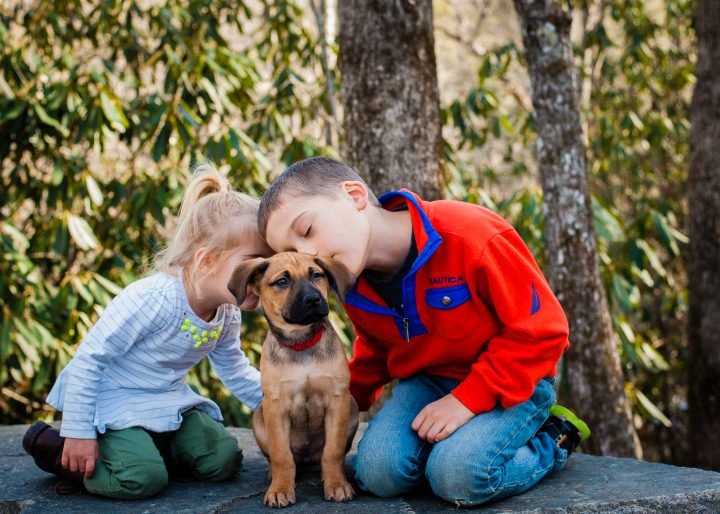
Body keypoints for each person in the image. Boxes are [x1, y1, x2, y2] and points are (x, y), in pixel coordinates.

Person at [256, 156, 590, 507]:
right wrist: (328, 395)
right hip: (428, 383)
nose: (308, 255)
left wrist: (467, 400)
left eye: (307, 230)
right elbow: (376, 348)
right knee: (377, 473)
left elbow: (545, 331)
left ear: (354, 196)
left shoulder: (469, 235)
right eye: (291, 252)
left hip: (512, 381)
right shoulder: (350, 281)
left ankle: (553, 439)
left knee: (458, 476)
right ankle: (445, 450)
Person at [23, 162, 272, 499]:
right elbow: (89, 358)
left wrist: (277, 402)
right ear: (206, 261)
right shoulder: (155, 297)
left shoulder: (227, 312)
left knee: (223, 460)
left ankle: (146, 451)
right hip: (115, 403)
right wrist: (78, 431)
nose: (266, 275)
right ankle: (64, 454)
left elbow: (234, 367)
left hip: (167, 403)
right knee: (142, 480)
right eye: (256, 262)